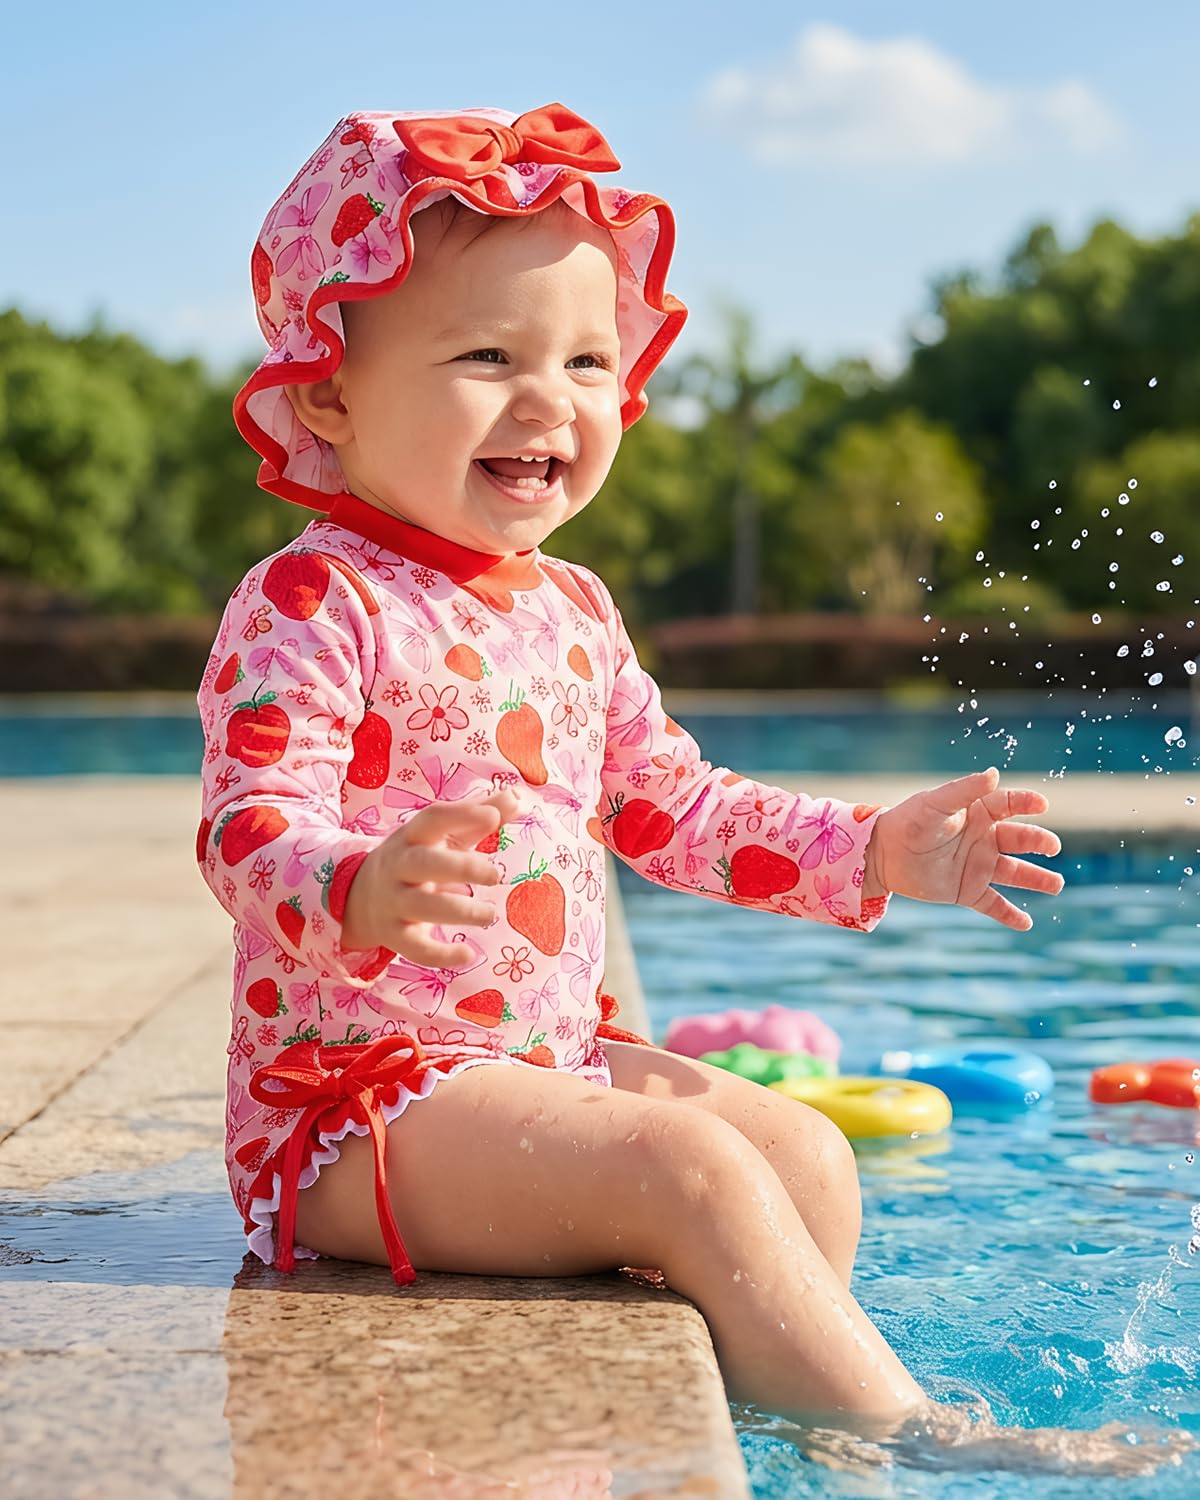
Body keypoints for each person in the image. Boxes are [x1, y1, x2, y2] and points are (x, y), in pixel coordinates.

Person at [195, 104, 1185, 1475]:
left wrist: (873, 852)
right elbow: (246, 830)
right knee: (694, 1171)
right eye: (488, 354)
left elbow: (678, 808)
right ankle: (919, 1437)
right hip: (355, 1110)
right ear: (330, 392)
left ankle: (779, 1436)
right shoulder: (315, 599)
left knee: (807, 1155)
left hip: (533, 1067)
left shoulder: (575, 611)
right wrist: (355, 882)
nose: (551, 399)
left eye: (588, 359)